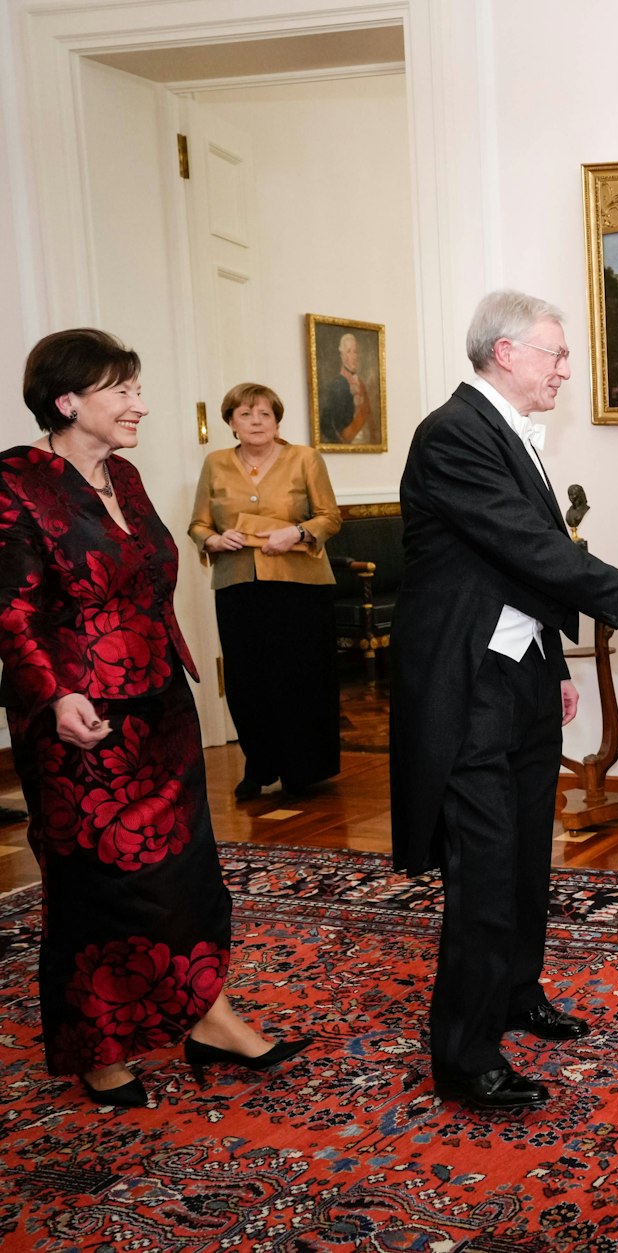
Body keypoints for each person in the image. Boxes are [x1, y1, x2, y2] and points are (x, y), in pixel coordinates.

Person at [1, 329, 308, 1107]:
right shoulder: (17, 482)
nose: (141, 403)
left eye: (138, 388)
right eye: (123, 390)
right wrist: (54, 691)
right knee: (100, 887)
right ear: (69, 401)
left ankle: (210, 1014)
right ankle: (99, 1050)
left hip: (161, 707)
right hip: (81, 719)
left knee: (185, 874)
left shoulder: (127, 476)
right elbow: (13, 609)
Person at [392, 289, 618, 1110]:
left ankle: (517, 991)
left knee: (523, 856)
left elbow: (527, 565)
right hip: (467, 685)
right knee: (481, 869)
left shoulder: (510, 433)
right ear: (506, 352)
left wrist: (553, 667)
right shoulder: (453, 434)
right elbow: (528, 549)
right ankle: (465, 1055)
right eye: (556, 353)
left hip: (518, 677)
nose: (566, 369)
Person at [188, 383, 343, 801]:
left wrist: (296, 531)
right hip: (239, 586)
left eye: (264, 415)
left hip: (300, 586)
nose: (256, 422)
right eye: (245, 415)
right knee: (247, 680)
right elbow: (198, 525)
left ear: (277, 421)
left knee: (299, 677)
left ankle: (302, 768)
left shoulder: (304, 459)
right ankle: (258, 765)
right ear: (230, 423)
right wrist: (214, 542)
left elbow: (330, 517)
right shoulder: (215, 464)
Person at [319, 332, 375, 446]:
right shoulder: (335, 386)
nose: (353, 356)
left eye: (355, 352)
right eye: (349, 352)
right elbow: (327, 425)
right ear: (342, 356)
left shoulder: (361, 385)